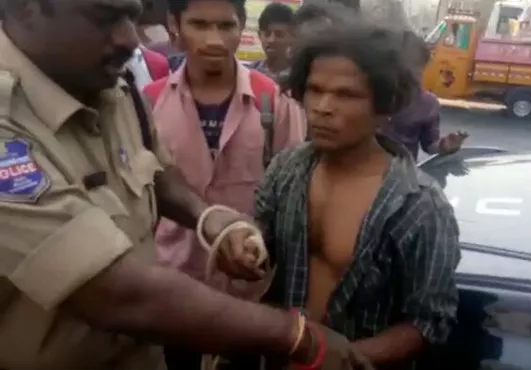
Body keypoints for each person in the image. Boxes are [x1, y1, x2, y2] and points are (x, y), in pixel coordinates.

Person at [0, 1, 372, 369]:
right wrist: (296, 336)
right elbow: (110, 291)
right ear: (25, 9)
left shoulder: (113, 88)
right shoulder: (10, 123)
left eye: (132, 16)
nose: (131, 38)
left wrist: (208, 217)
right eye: (105, 17)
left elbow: (155, 169)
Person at [255, 24, 461, 369]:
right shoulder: (287, 168)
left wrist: (340, 359)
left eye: (346, 95)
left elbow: (430, 321)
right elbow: (264, 238)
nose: (323, 107)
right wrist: (245, 243)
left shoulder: (420, 206)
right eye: (314, 90)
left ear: (384, 105)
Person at [142, 0, 305, 367]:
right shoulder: (149, 102)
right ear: (175, 25)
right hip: (172, 283)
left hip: (248, 290)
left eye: (225, 26)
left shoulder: (274, 100)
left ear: (241, 26)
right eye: (199, 24)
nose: (214, 39)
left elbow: (294, 194)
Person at [381, 30, 468, 160]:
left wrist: (445, 146)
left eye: (416, 67)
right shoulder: (367, 94)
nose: (408, 73)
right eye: (402, 66)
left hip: (402, 175)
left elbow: (430, 145)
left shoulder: (428, 104)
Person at [250, 2, 295, 83]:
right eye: (267, 34)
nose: (271, 40)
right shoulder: (249, 73)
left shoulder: (300, 76)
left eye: (279, 34)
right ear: (259, 35)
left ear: (293, 37)